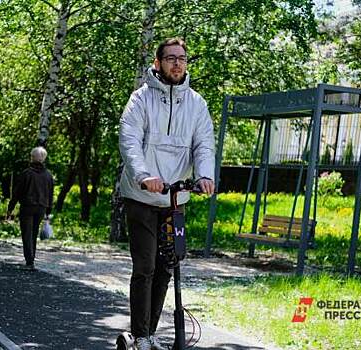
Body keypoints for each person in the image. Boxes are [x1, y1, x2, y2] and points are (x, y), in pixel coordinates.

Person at [119, 37, 215, 350]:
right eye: (171, 58)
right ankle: (140, 336)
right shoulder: (140, 99)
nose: (177, 63)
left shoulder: (197, 104)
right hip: (142, 197)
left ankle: (149, 332)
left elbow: (203, 144)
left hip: (175, 201)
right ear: (158, 63)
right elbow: (130, 140)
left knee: (167, 267)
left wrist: (204, 176)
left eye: (182, 58)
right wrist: (144, 175)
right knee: (145, 265)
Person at [7, 146, 54, 271]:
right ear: (43, 159)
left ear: (32, 158)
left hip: (27, 207)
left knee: (27, 234)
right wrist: (48, 212)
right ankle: (31, 260)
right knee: (33, 233)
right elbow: (50, 194)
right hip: (41, 208)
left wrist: (10, 207)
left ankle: (30, 262)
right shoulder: (48, 176)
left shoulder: (26, 173)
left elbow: (17, 192)